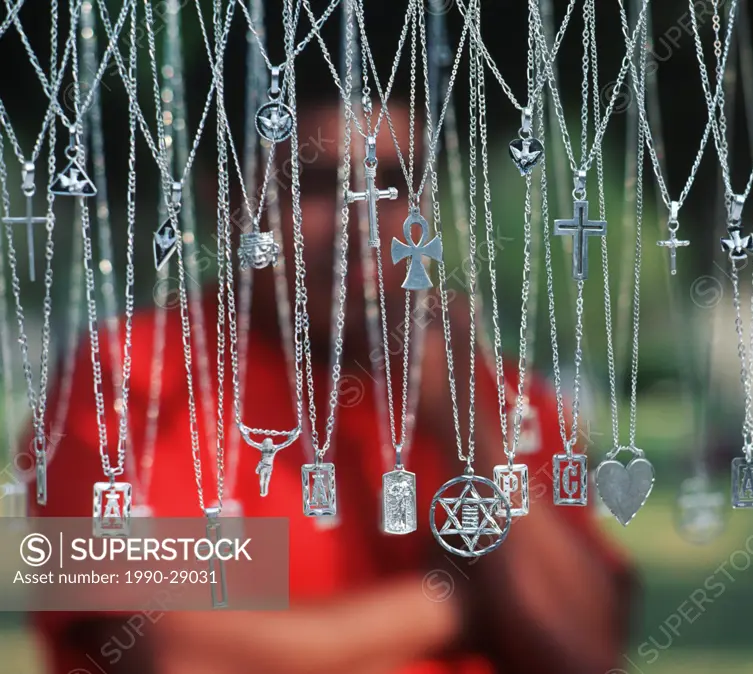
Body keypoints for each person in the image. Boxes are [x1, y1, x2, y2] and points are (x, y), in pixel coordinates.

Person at [27, 19, 635, 674]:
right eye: (317, 187)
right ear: (226, 197)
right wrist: (455, 599)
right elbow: (172, 653)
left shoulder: (503, 397)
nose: (361, 227)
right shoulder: (122, 382)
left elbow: (583, 649)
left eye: (396, 183)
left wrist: (470, 434)